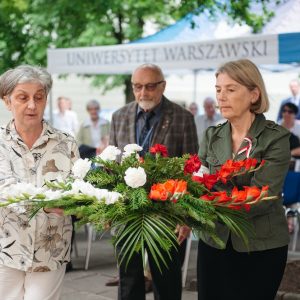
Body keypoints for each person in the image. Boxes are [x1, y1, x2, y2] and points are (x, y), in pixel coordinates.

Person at [198, 59, 290, 300]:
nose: (221, 97)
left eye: (231, 89)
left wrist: (204, 202)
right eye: (218, 90)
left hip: (260, 246)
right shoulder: (211, 136)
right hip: (214, 242)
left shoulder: (276, 138)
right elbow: (195, 181)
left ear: (253, 94)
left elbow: (261, 196)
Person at [109, 63, 198, 300]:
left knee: (166, 280)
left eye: (150, 86)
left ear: (163, 86)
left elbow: (190, 171)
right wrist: (109, 209)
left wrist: (186, 218)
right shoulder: (119, 116)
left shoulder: (182, 118)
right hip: (128, 211)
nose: (143, 93)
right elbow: (112, 166)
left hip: (168, 214)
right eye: (137, 87)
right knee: (128, 280)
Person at [0, 65, 80, 299]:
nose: (32, 105)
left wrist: (77, 205)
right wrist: (42, 204)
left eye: (39, 97)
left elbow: (79, 189)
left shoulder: (66, 144)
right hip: (5, 250)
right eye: (23, 98)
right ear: (7, 101)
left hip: (51, 250)